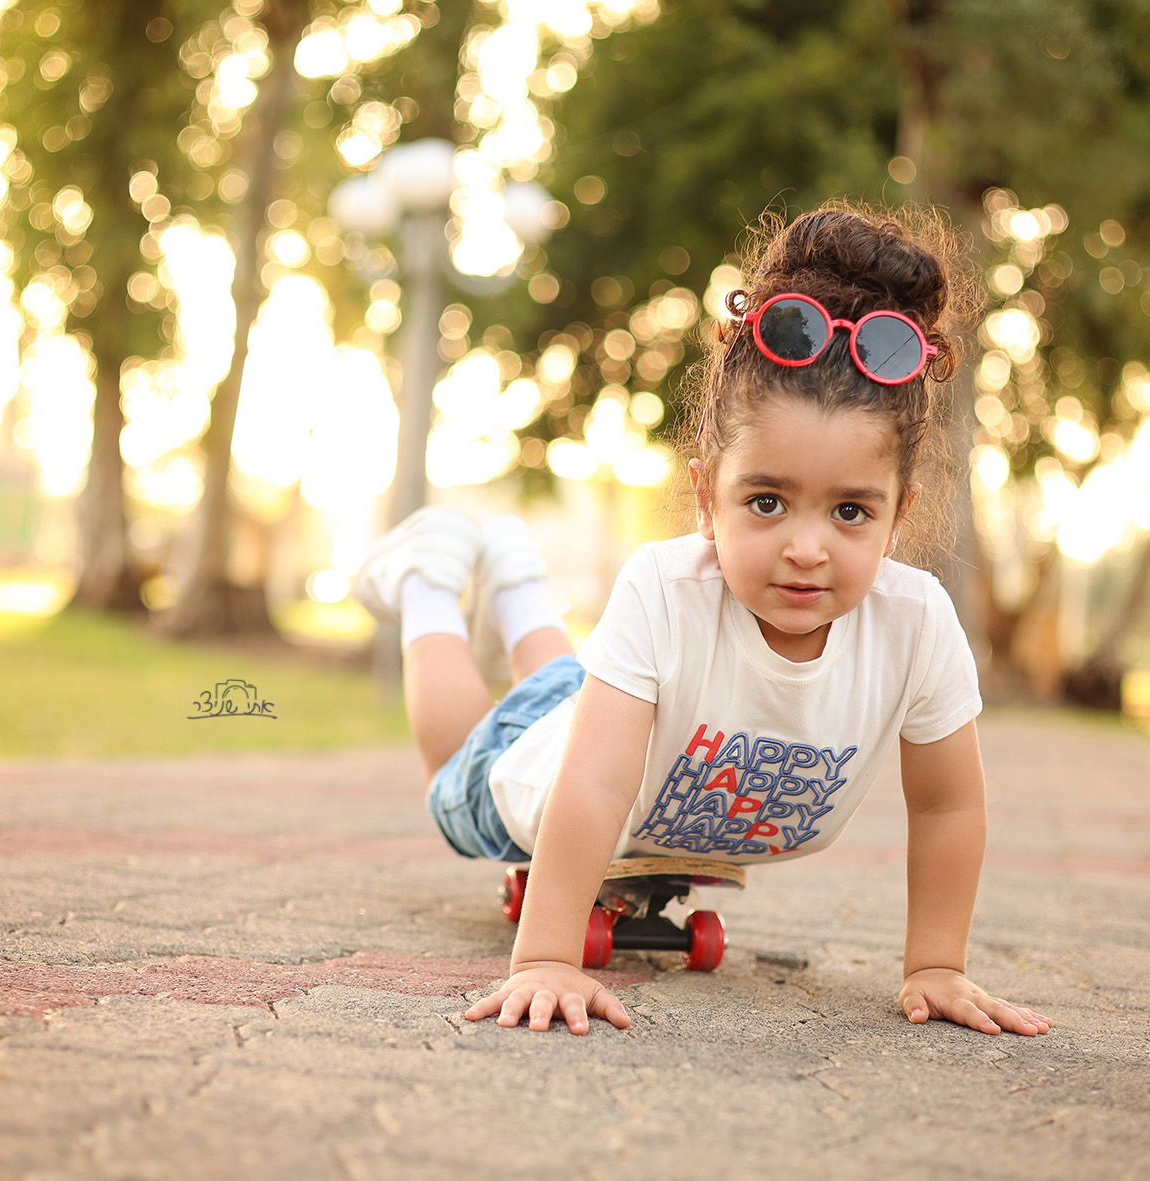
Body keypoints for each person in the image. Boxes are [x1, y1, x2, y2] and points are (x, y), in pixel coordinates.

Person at [353, 201, 1052, 1040]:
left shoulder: (916, 622)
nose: (805, 548)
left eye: (850, 512)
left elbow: (946, 807)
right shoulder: (665, 586)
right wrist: (546, 956)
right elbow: (594, 782)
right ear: (704, 496)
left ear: (898, 514)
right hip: (551, 775)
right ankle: (429, 581)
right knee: (461, 767)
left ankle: (513, 576)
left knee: (565, 688)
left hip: (620, 713)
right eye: (767, 502)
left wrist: (937, 963)